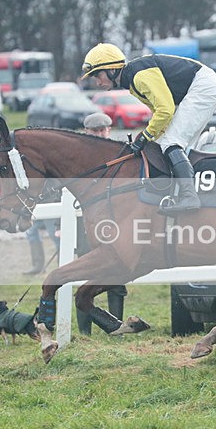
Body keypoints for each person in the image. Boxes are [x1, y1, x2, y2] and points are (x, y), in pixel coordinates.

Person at [80, 43, 216, 215]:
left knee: (171, 142)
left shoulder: (139, 75)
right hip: (201, 86)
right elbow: (160, 113)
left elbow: (165, 110)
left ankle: (189, 196)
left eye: (98, 75)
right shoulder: (131, 80)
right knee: (168, 143)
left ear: (111, 69)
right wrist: (151, 136)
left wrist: (145, 135)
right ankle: (181, 193)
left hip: (203, 86)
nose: (97, 81)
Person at [76, 111, 129, 335]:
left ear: (108, 130)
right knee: (85, 272)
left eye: (103, 130)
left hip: (115, 222)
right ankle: (84, 332)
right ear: (86, 132)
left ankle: (116, 326)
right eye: (94, 131)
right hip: (85, 222)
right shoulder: (77, 158)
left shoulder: (120, 154)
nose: (99, 134)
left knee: (117, 273)